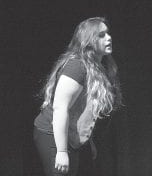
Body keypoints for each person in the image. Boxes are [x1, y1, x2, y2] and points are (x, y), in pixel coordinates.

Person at [33, 17, 122, 176]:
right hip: (52, 133)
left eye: (108, 33)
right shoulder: (77, 66)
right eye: (101, 35)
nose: (109, 38)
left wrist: (88, 141)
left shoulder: (99, 68)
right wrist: (61, 151)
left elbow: (86, 110)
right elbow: (61, 108)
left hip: (72, 136)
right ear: (88, 41)